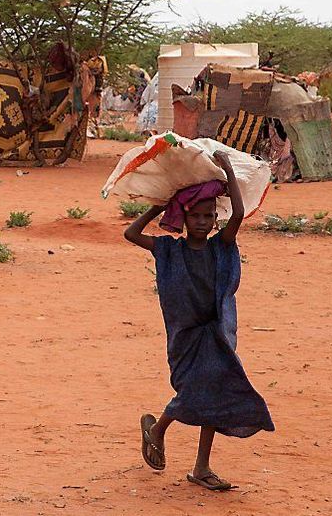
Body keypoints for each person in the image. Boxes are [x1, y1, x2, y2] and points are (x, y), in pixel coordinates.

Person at [123, 150, 273, 491]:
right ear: (185, 218)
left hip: (217, 333)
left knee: (215, 394)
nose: (203, 222)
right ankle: (158, 430)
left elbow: (238, 212)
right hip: (187, 337)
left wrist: (229, 171)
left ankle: (201, 466)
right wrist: (161, 206)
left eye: (208, 216)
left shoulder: (221, 246)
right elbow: (131, 234)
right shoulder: (169, 250)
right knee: (192, 391)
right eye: (196, 216)